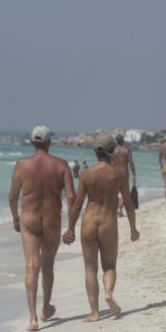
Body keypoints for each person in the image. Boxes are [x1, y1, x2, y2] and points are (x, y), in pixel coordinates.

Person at [63, 134, 139, 321]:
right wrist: (133, 228)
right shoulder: (119, 174)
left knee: (90, 268)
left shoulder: (86, 174)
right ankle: (108, 292)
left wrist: (70, 228)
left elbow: (77, 204)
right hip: (108, 223)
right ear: (114, 151)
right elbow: (128, 203)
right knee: (109, 266)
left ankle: (94, 312)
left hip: (89, 222)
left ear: (95, 152)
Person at [8, 126, 75, 332]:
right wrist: (71, 227)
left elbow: (12, 196)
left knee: (31, 266)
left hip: (29, 218)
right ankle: (45, 308)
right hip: (52, 219)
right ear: (49, 142)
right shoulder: (61, 165)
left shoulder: (21, 165)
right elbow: (71, 197)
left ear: (32, 142)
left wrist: (15, 218)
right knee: (47, 266)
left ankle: (33, 319)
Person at [112, 134, 137, 217]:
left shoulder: (112, 151)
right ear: (123, 141)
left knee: (114, 192)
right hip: (124, 173)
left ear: (116, 142)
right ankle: (119, 208)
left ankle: (115, 209)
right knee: (124, 193)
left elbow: (109, 162)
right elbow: (131, 163)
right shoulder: (127, 150)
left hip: (114, 172)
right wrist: (134, 174)